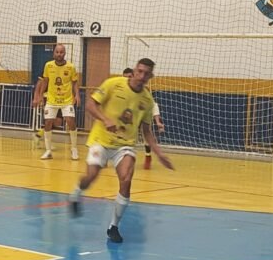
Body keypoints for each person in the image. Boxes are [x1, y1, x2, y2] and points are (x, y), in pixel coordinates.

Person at [69, 58, 174, 243]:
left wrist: (159, 153)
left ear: (151, 76)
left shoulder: (147, 101)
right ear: (134, 71)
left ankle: (113, 227)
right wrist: (105, 119)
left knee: (126, 180)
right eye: (139, 71)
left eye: (146, 73)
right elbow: (90, 105)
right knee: (91, 177)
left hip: (124, 145)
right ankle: (76, 194)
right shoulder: (113, 84)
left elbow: (147, 131)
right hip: (101, 140)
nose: (141, 76)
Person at [31, 44, 80, 160]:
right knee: (48, 123)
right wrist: (40, 96)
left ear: (65, 53)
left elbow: (74, 83)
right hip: (51, 100)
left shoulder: (71, 67)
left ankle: (74, 149)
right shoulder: (48, 65)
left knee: (71, 121)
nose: (59, 54)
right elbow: (45, 81)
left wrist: (77, 95)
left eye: (61, 52)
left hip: (67, 100)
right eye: (57, 52)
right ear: (54, 53)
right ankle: (48, 151)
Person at [123, 68, 166, 169]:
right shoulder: (119, 89)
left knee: (146, 133)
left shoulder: (142, 90)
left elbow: (153, 105)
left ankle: (148, 156)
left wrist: (158, 122)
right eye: (124, 77)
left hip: (142, 115)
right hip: (129, 116)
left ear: (133, 76)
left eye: (129, 77)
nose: (126, 79)